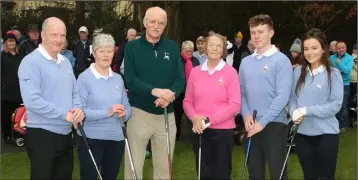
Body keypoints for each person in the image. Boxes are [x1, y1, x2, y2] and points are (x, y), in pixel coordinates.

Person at [18, 17, 84, 180]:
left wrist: (77, 110)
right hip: (42, 136)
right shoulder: (30, 62)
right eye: (54, 35)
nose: (59, 40)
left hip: (66, 134)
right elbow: (32, 101)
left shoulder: (65, 62)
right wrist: (64, 115)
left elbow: (74, 92)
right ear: (42, 35)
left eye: (62, 36)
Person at [123, 6, 185, 179]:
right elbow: (131, 79)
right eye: (152, 21)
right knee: (134, 166)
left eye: (161, 23)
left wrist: (169, 96)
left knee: (164, 168)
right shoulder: (132, 47)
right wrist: (155, 91)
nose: (156, 25)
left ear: (165, 26)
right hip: (139, 114)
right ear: (144, 22)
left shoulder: (172, 47)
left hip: (166, 114)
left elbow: (180, 79)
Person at [239, 14, 293, 180]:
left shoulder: (281, 60)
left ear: (271, 33)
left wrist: (263, 122)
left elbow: (282, 95)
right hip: (251, 124)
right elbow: (241, 92)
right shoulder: (246, 62)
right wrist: (246, 114)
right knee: (255, 174)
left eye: (261, 31)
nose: (256, 36)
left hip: (274, 124)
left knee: (277, 173)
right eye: (253, 32)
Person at [183, 32, 241, 179]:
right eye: (211, 45)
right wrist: (195, 118)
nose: (214, 48)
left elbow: (234, 105)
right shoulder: (196, 72)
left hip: (222, 132)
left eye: (218, 46)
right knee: (203, 173)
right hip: (199, 130)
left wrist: (208, 120)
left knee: (221, 174)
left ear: (223, 50)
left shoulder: (231, 72)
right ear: (206, 47)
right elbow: (187, 101)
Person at [289, 28, 343, 180]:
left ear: (324, 49)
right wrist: (294, 112)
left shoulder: (333, 74)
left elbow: (335, 105)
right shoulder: (298, 71)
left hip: (327, 135)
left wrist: (306, 110)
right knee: (309, 176)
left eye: (314, 48)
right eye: (306, 49)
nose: (309, 52)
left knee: (326, 177)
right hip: (303, 135)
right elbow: (292, 98)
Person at [76, 33, 131, 180]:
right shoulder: (84, 78)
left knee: (110, 176)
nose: (106, 55)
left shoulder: (118, 79)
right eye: (101, 51)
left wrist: (124, 113)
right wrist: (107, 112)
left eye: (109, 50)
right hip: (91, 137)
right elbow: (80, 111)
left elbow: (127, 107)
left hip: (115, 137)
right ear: (94, 53)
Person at [174, 40, 200, 141]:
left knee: (193, 115)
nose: (190, 53)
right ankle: (176, 136)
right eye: (188, 51)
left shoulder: (195, 61)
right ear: (183, 50)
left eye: (191, 51)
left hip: (192, 93)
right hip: (179, 93)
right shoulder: (177, 60)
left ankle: (194, 134)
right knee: (177, 116)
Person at [1, 33, 22, 144]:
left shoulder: (20, 56)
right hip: (5, 92)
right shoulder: (2, 56)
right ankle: (7, 136)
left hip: (19, 91)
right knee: (6, 116)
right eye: (9, 41)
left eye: (13, 41)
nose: (11, 43)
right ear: (5, 43)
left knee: (18, 115)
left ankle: (18, 134)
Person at [329, 41, 354, 133]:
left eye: (343, 47)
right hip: (333, 84)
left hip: (344, 85)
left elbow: (347, 71)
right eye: (339, 48)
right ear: (336, 49)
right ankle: (334, 124)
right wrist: (338, 71)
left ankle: (343, 126)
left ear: (346, 48)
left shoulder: (349, 58)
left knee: (343, 106)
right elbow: (329, 69)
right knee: (333, 105)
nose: (341, 50)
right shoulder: (331, 57)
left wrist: (339, 63)